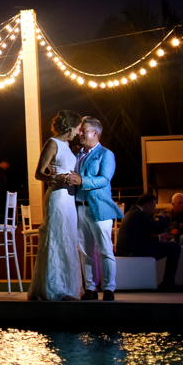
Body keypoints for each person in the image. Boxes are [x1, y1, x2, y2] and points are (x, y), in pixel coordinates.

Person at [27, 110, 84, 302]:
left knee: (68, 239)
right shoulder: (52, 144)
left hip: (69, 199)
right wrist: (55, 177)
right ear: (70, 127)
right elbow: (38, 173)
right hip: (57, 197)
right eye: (77, 128)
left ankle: (68, 287)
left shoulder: (68, 145)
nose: (78, 132)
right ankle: (54, 289)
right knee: (56, 239)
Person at [65, 117, 124, 300]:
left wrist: (81, 180)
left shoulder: (106, 154)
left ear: (95, 133)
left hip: (99, 208)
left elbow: (104, 179)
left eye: (85, 130)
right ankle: (90, 288)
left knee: (105, 249)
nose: (80, 133)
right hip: (80, 208)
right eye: (80, 130)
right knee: (85, 251)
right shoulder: (77, 155)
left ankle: (109, 288)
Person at [117, 193, 181, 289]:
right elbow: (158, 228)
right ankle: (168, 282)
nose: (153, 210)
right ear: (147, 205)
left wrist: (158, 239)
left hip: (129, 249)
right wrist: (162, 217)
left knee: (169, 246)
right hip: (136, 251)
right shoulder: (139, 214)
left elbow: (139, 237)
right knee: (175, 247)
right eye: (153, 207)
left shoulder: (131, 213)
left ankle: (168, 281)